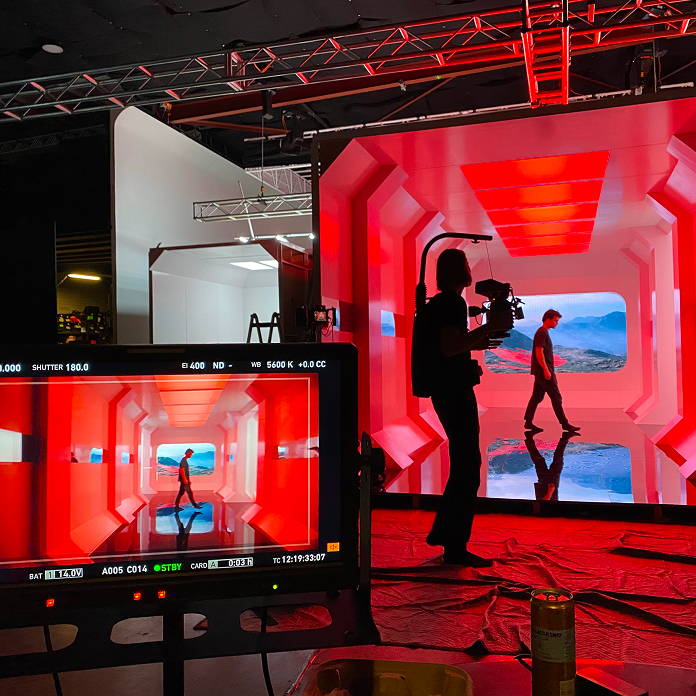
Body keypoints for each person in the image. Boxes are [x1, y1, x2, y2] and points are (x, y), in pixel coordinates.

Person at [423, 248, 513, 567]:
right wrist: (489, 327)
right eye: (464, 263)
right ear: (461, 272)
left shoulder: (444, 303)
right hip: (453, 392)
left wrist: (477, 339)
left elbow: (447, 346)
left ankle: (445, 534)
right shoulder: (453, 302)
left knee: (464, 464)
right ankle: (455, 547)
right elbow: (449, 347)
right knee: (467, 466)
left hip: (447, 391)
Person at [524, 310, 580, 434]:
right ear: (548, 319)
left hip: (541, 370)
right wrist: (545, 369)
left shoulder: (542, 332)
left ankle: (528, 421)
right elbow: (539, 352)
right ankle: (565, 424)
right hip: (543, 371)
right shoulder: (541, 333)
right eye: (555, 321)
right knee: (556, 397)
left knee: (537, 397)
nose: (557, 323)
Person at [525, 431, 576, 502]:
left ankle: (565, 438)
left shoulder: (548, 508)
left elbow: (544, 502)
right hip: (546, 483)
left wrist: (550, 491)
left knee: (553, 461)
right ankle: (529, 437)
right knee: (541, 461)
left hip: (547, 483)